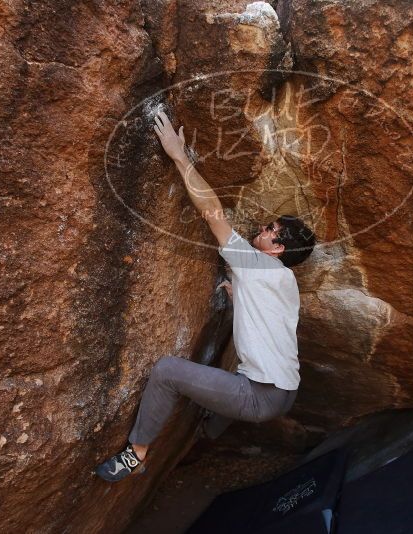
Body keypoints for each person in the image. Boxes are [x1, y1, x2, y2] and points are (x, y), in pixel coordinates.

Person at [95, 110, 316, 482]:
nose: (261, 229)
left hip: (260, 396)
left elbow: (213, 214)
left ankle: (137, 453)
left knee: (166, 372)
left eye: (268, 229)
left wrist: (179, 156)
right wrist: (237, 296)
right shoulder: (284, 281)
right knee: (231, 374)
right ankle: (209, 429)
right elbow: (274, 321)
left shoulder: (257, 266)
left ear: (277, 248)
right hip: (285, 390)